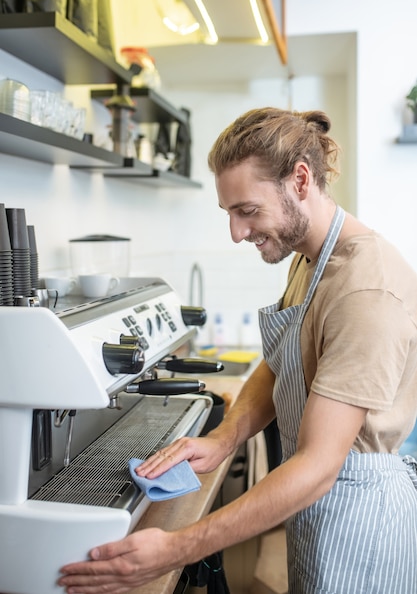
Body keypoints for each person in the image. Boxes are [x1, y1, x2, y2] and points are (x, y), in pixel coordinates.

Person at [59, 108, 417, 594]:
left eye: (247, 211)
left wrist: (176, 548)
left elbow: (318, 466)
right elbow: (279, 365)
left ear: (301, 180)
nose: (236, 232)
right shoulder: (312, 259)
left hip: (360, 525)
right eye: (229, 212)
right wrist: (224, 438)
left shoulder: (365, 289)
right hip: (317, 506)